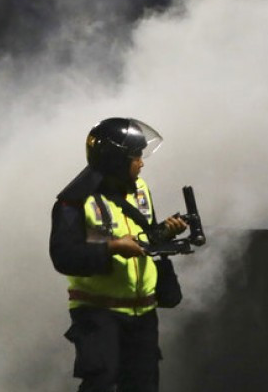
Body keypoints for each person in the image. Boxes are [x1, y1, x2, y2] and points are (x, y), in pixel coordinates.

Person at [49, 117, 188, 392]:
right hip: (98, 313)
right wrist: (113, 247)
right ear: (116, 160)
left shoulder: (140, 190)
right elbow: (64, 256)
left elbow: (143, 237)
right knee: (101, 383)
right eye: (136, 156)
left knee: (144, 385)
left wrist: (164, 233)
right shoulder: (74, 202)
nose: (142, 162)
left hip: (143, 312)